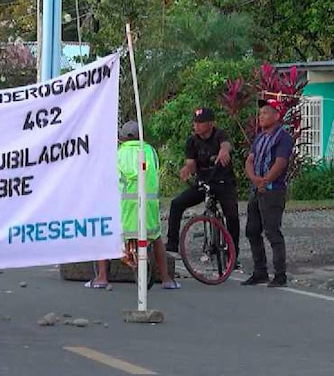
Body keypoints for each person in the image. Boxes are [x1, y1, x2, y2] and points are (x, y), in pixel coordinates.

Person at [87, 121, 178, 290]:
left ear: (122, 138)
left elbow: (109, 179)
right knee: (156, 237)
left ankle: (101, 278)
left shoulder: (118, 154)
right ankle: (167, 279)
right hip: (148, 205)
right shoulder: (150, 151)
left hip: (124, 207)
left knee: (104, 233)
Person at [166, 108, 241, 264]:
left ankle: (233, 253)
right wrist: (187, 169)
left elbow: (226, 144)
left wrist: (224, 151)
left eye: (200, 123)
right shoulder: (192, 141)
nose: (196, 126)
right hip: (204, 183)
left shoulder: (219, 134)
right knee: (177, 203)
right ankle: (172, 246)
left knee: (232, 215)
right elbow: (191, 164)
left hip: (223, 182)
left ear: (210, 123)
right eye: (195, 122)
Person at [242, 99, 295, 288]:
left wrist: (266, 180)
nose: (261, 116)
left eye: (265, 112)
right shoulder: (259, 137)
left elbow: (280, 163)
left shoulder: (283, 138)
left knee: (272, 231)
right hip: (257, 190)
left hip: (273, 191)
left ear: (276, 116)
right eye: (260, 113)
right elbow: (249, 160)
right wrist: (255, 179)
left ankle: (280, 274)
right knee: (252, 230)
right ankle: (260, 271)